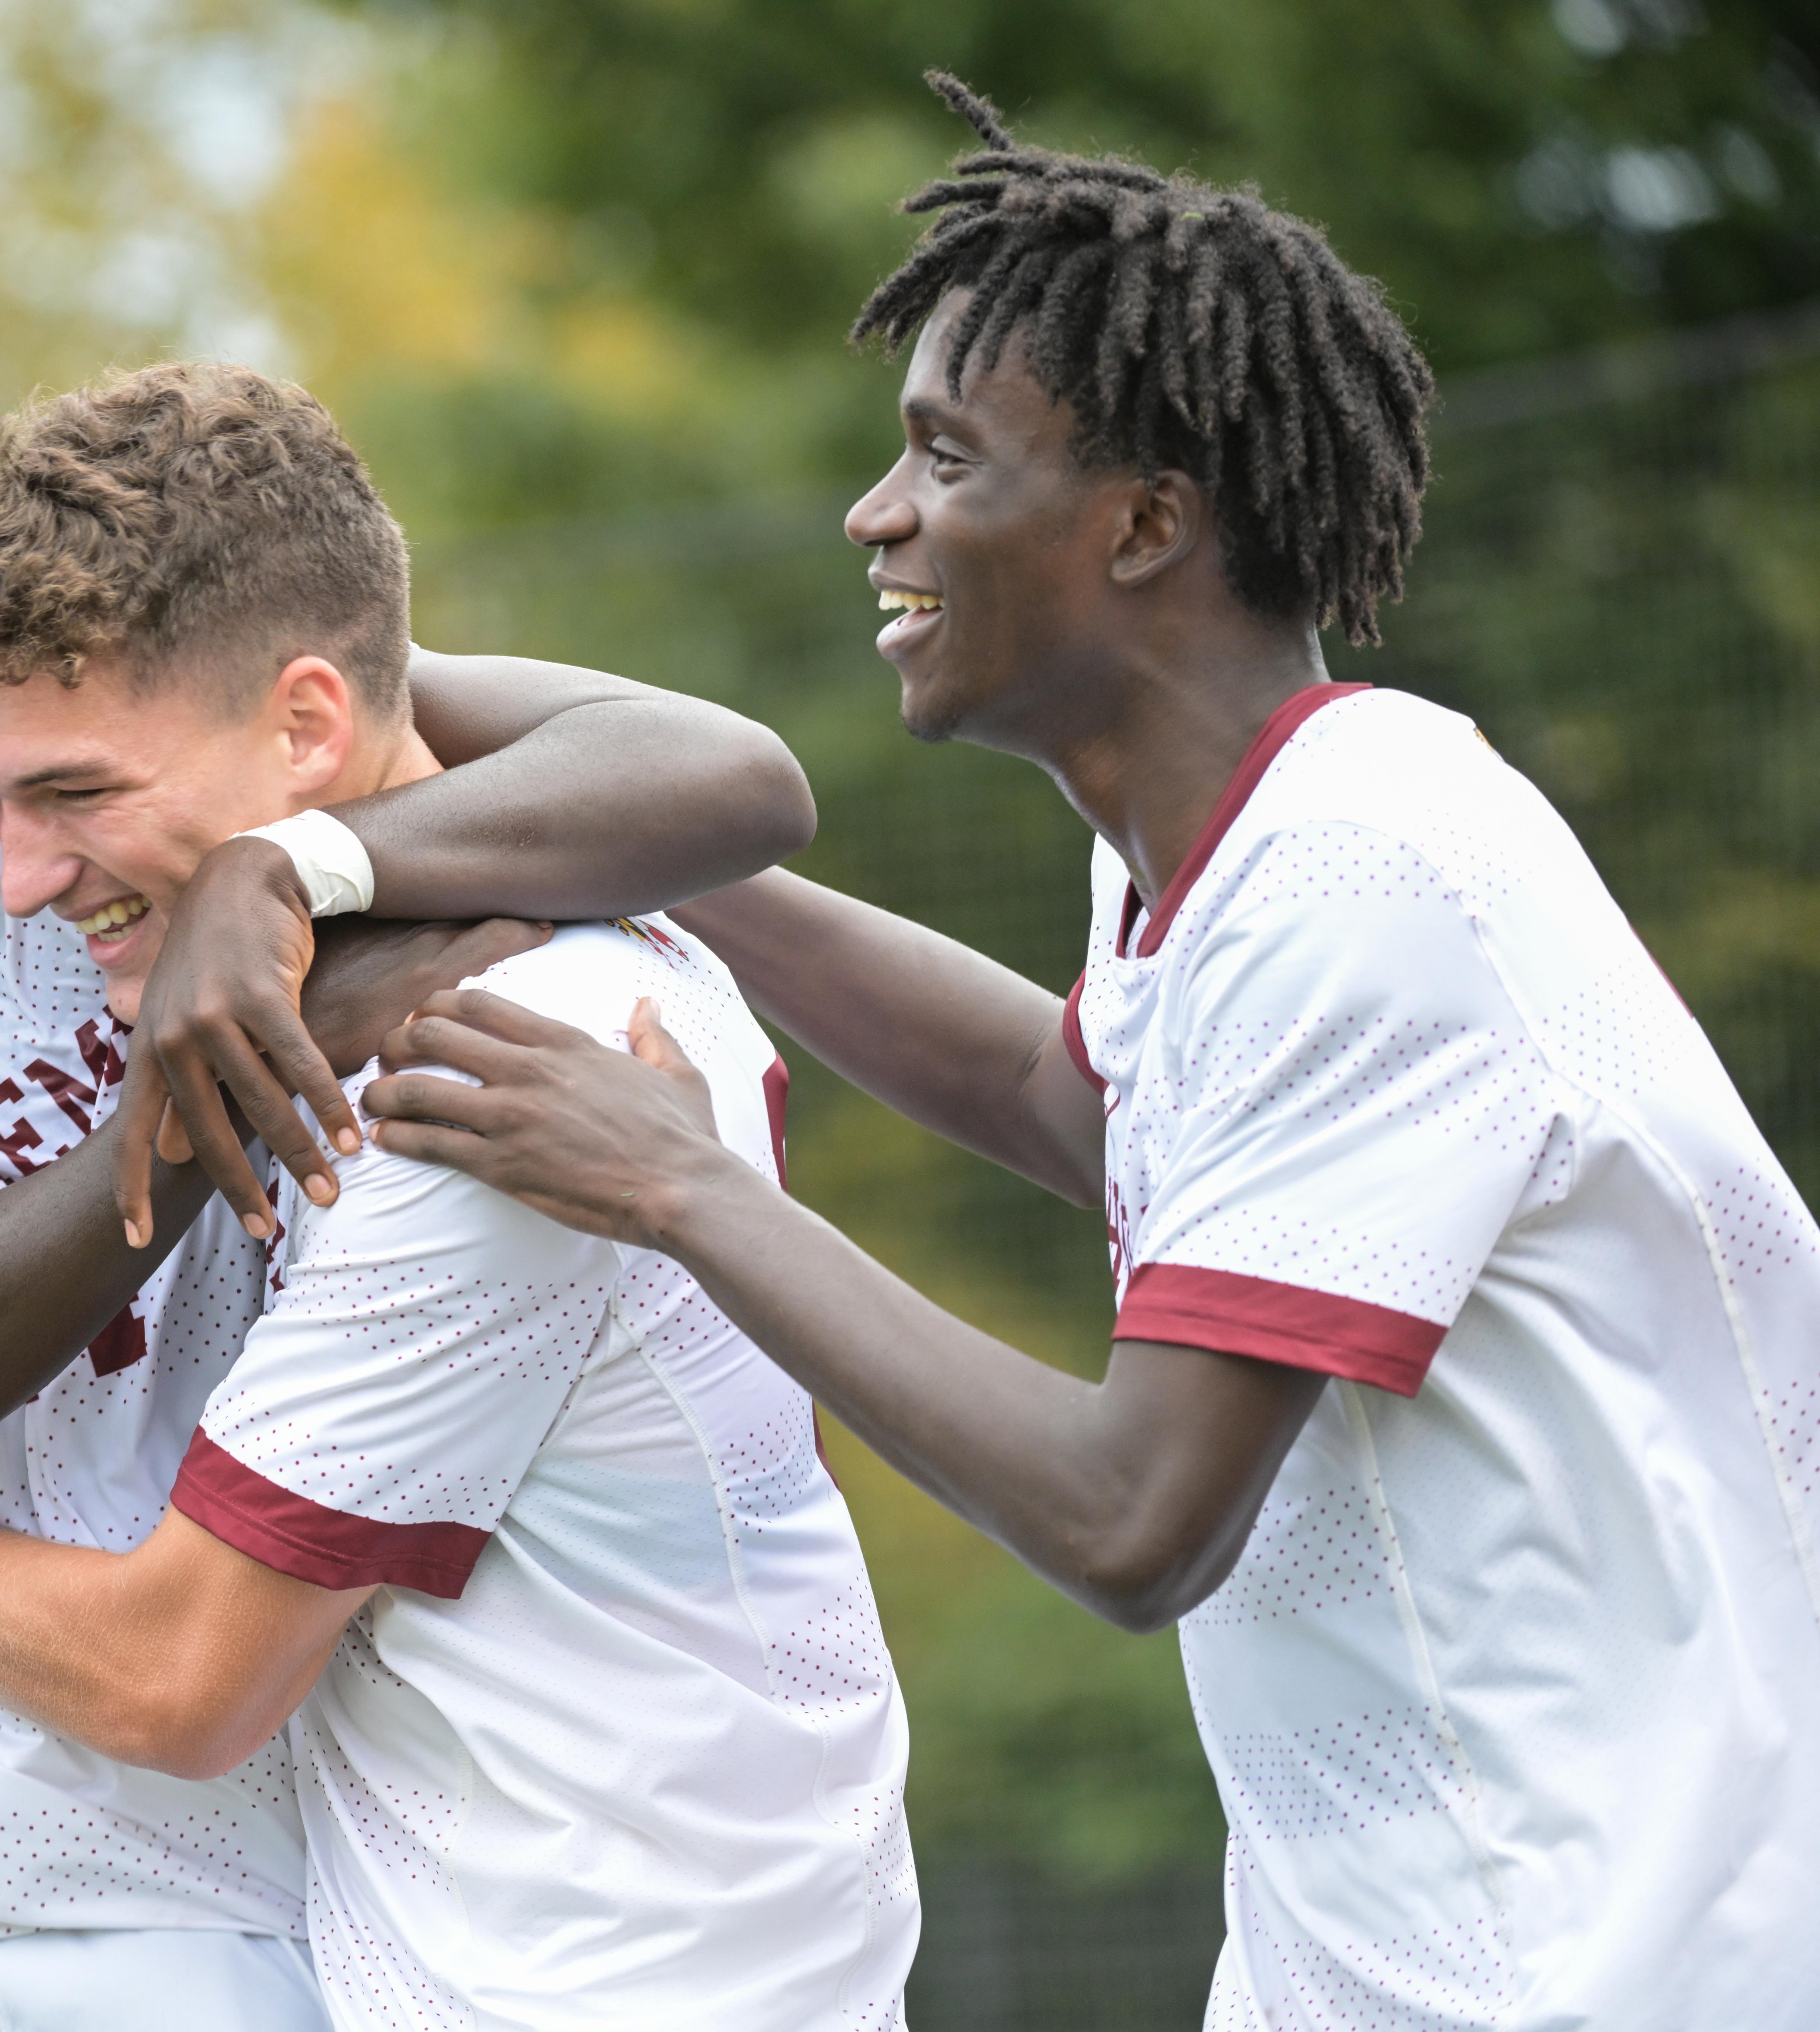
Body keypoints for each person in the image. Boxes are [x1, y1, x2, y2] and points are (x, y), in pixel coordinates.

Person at [350, 76, 1820, 2031]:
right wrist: (404, 723)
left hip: (1600, 1973)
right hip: (1381, 1966)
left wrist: (678, 1184)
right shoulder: (1218, 860)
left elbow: (1136, 1521)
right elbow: (1051, 1098)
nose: (878, 512)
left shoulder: (1368, 867)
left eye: (946, 457)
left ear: (1145, 525)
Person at [0, 249, 824, 2029]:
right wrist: (227, 1077)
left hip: (231, 1862)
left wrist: (298, 872)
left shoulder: (111, 738)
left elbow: (724, 776)